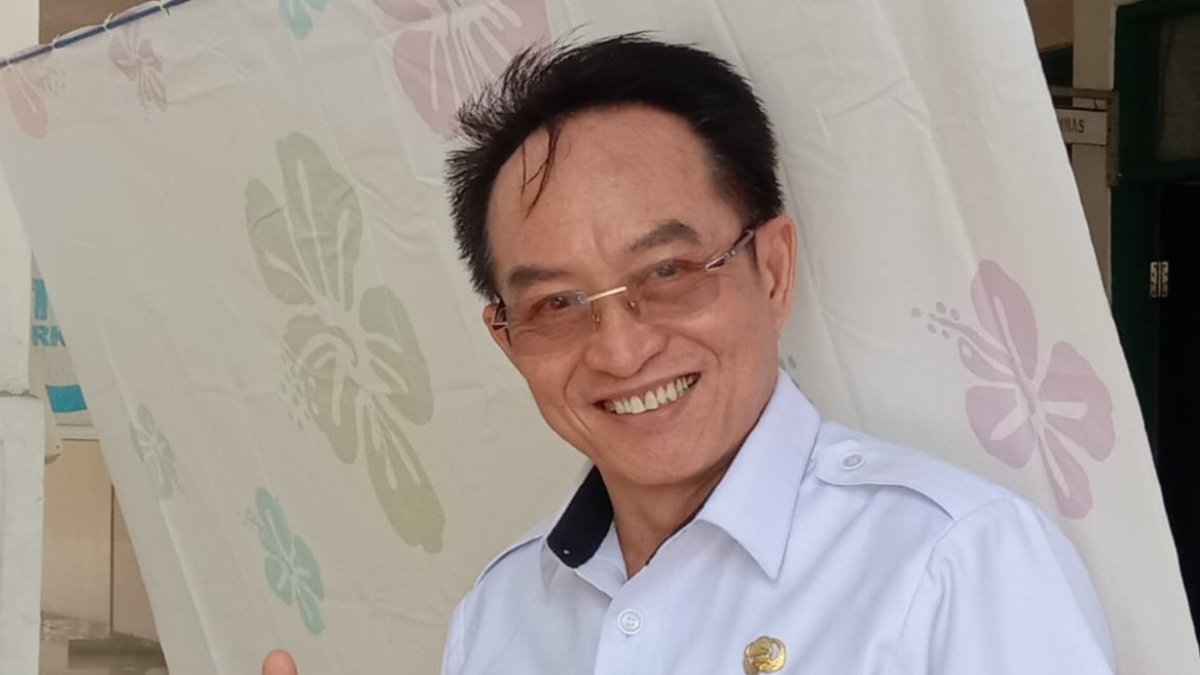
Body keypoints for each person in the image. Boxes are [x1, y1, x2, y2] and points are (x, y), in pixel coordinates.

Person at [265, 34, 1114, 674]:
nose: (621, 347)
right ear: (508, 339)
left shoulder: (953, 563)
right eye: (557, 303)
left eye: (666, 271)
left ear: (771, 268)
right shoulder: (500, 614)